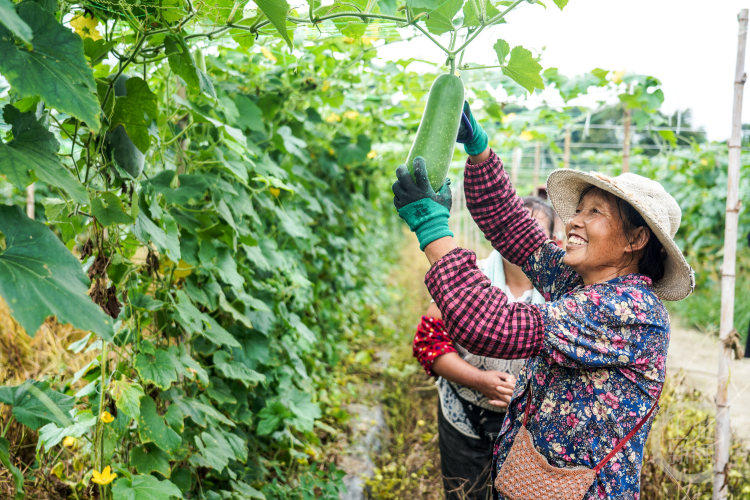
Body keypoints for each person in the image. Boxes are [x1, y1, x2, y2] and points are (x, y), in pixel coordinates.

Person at [392, 102, 695, 499]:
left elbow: (491, 325)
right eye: (578, 209)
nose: (573, 221)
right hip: (538, 479)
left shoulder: (629, 311)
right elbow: (510, 224)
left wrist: (432, 228)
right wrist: (478, 149)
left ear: (635, 240)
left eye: (595, 212)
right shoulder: (580, 283)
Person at [413, 197, 554, 499]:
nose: (520, 238)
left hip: (528, 434)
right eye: (513, 227)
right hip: (462, 417)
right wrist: (478, 379)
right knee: (465, 493)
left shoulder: (562, 297)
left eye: (532, 230)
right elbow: (429, 343)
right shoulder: (469, 278)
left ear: (552, 242)